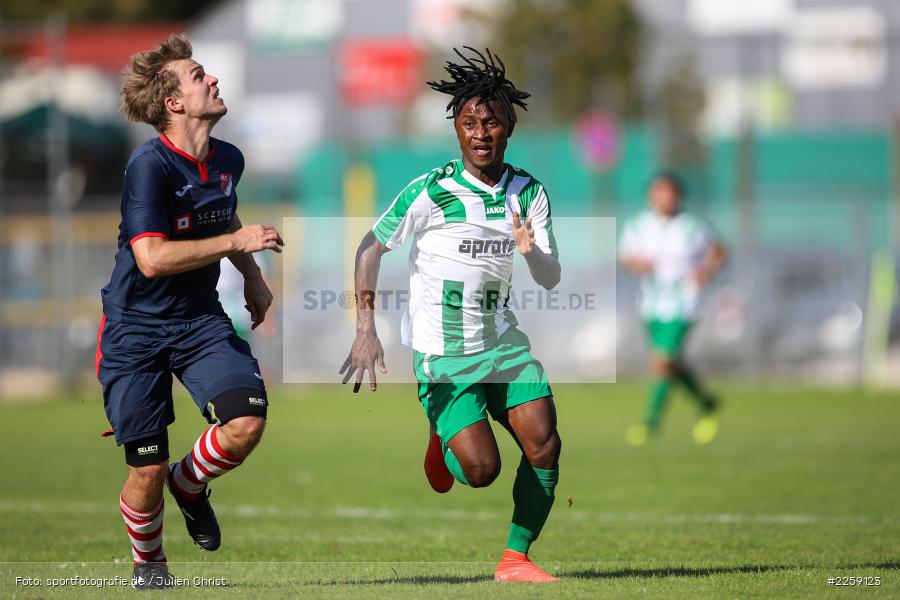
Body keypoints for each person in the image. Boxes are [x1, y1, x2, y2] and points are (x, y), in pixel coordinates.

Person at [340, 47, 562, 583]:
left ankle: (516, 559)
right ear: (456, 131)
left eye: (491, 122)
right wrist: (365, 329)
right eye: (470, 123)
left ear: (509, 128)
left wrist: (530, 251)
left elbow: (551, 277)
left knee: (545, 440)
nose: (481, 132)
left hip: (503, 341)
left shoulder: (527, 192)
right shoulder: (431, 190)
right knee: (482, 471)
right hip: (444, 352)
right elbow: (369, 249)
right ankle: (442, 435)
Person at [96, 33, 284, 589]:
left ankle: (190, 484)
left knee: (245, 423)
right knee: (145, 468)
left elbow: (222, 219)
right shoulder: (148, 166)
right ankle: (150, 565)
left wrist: (252, 278)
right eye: (201, 75)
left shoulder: (229, 159)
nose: (214, 79)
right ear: (175, 103)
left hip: (200, 321)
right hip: (135, 329)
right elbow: (151, 259)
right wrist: (238, 247)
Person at [619, 172, 726, 446]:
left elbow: (718, 252)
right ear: (651, 196)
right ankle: (707, 402)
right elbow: (626, 258)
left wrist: (706, 271)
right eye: (660, 192)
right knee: (670, 364)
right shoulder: (638, 225)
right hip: (651, 303)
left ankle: (650, 424)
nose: (666, 197)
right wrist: (637, 264)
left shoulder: (692, 226)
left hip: (683, 303)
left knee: (662, 362)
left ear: (679, 196)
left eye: (671, 192)